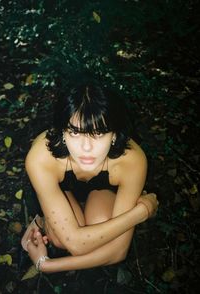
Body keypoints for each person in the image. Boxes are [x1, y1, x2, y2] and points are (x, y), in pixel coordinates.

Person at [21, 81, 159, 273]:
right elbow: (76, 243)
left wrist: (48, 265)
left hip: (103, 196)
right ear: (62, 132)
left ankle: (69, 223)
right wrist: (140, 213)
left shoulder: (132, 160)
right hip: (63, 193)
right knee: (63, 240)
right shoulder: (41, 157)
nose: (86, 147)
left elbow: (118, 251)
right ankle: (43, 219)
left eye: (99, 133)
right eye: (75, 132)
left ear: (114, 134)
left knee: (100, 228)